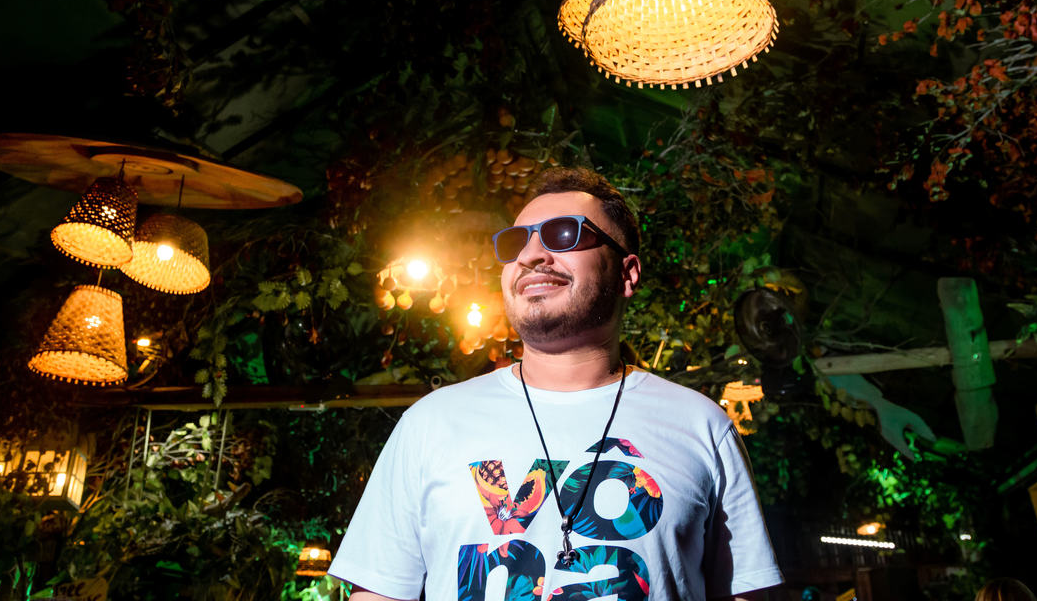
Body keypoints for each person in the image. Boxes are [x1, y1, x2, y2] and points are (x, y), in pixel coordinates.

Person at [329, 167, 783, 601]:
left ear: (627, 273)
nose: (530, 256)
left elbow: (744, 594)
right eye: (516, 242)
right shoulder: (430, 423)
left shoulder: (701, 426)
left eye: (564, 234)